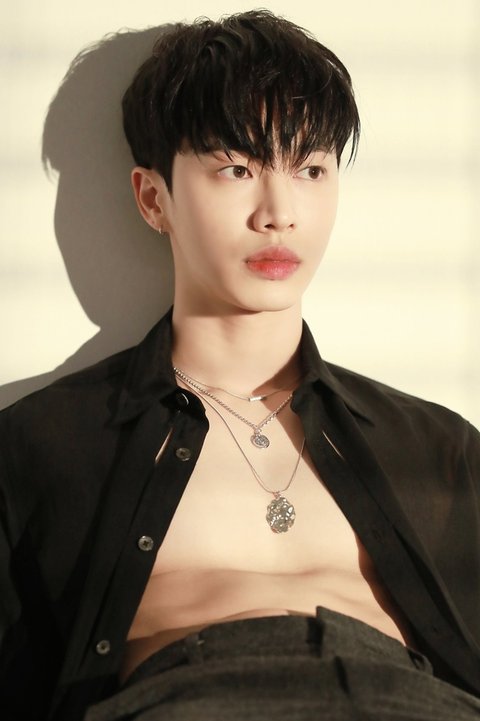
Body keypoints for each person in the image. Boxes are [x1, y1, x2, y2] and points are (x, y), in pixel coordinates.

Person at [1, 9, 480, 721]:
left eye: (310, 169)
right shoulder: (39, 447)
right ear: (154, 198)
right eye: (237, 168)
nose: (279, 212)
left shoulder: (441, 451)